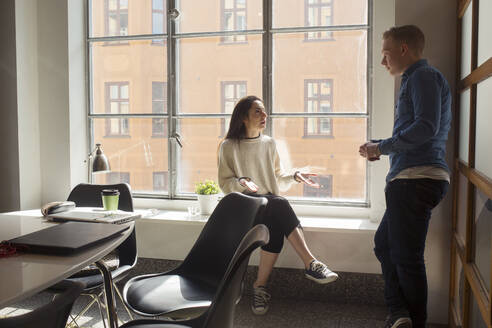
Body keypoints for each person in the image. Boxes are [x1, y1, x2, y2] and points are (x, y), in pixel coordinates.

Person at [359, 25, 451, 328]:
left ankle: (412, 320)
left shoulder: (423, 77)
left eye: (385, 54)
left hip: (416, 178)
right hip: (412, 176)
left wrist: (382, 146)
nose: (383, 62)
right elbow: (420, 129)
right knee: (385, 245)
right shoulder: (416, 79)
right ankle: (400, 315)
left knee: (407, 257)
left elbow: (427, 128)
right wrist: (381, 147)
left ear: (403, 49)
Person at [218, 95, 338, 315]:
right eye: (258, 112)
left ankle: (260, 287)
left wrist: (294, 175)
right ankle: (311, 264)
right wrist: (241, 182)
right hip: (244, 207)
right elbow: (224, 184)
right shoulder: (228, 146)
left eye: (264, 111)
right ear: (243, 117)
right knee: (278, 205)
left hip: (270, 205)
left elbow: (278, 177)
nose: (265, 116)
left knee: (275, 216)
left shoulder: (269, 143)